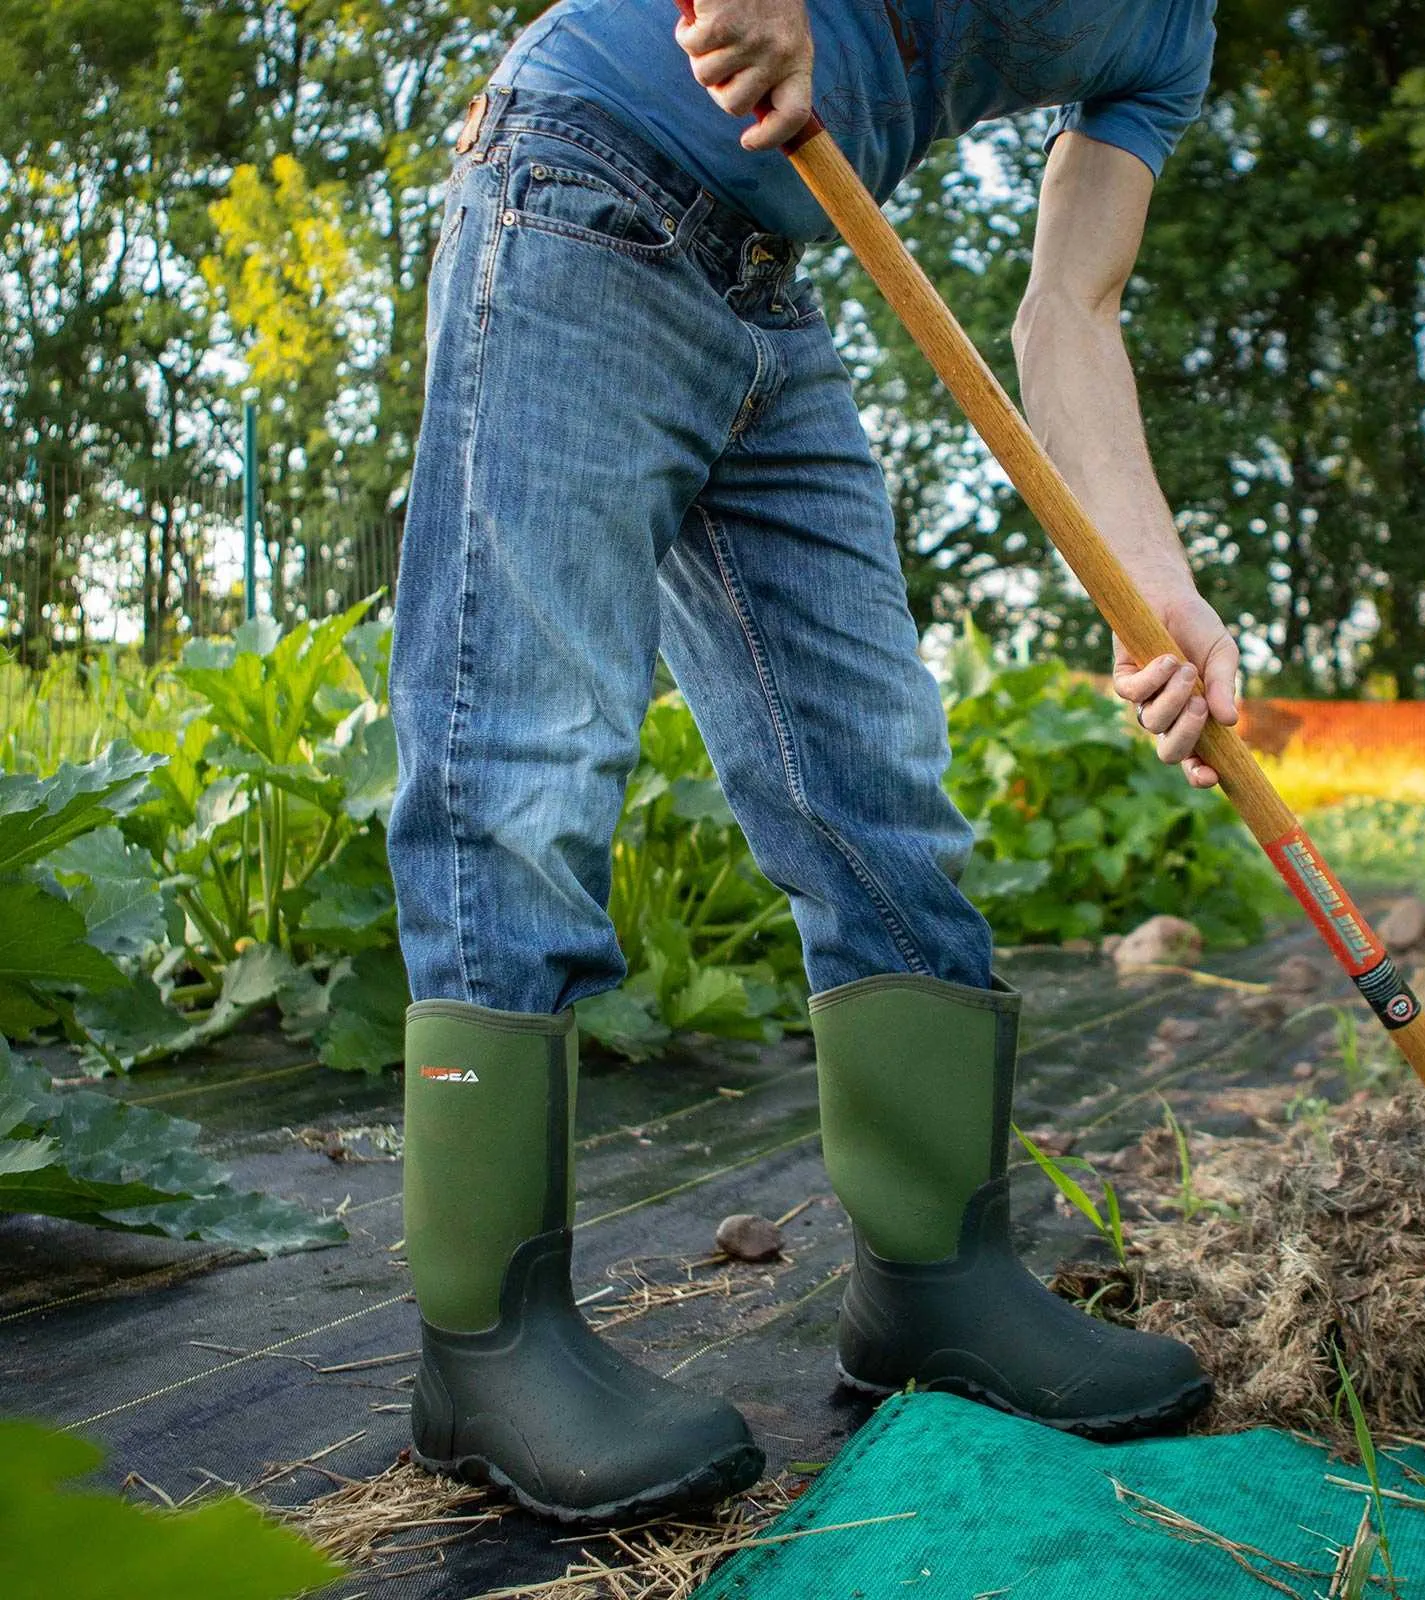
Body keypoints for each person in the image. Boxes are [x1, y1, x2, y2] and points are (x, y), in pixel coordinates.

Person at [389, 0, 1236, 1525]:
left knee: (876, 777)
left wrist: (1156, 582)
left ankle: (934, 1273)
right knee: (523, 752)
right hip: (583, 177)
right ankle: (485, 1338)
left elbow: (1073, 312)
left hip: (771, 280)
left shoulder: (1170, 36)